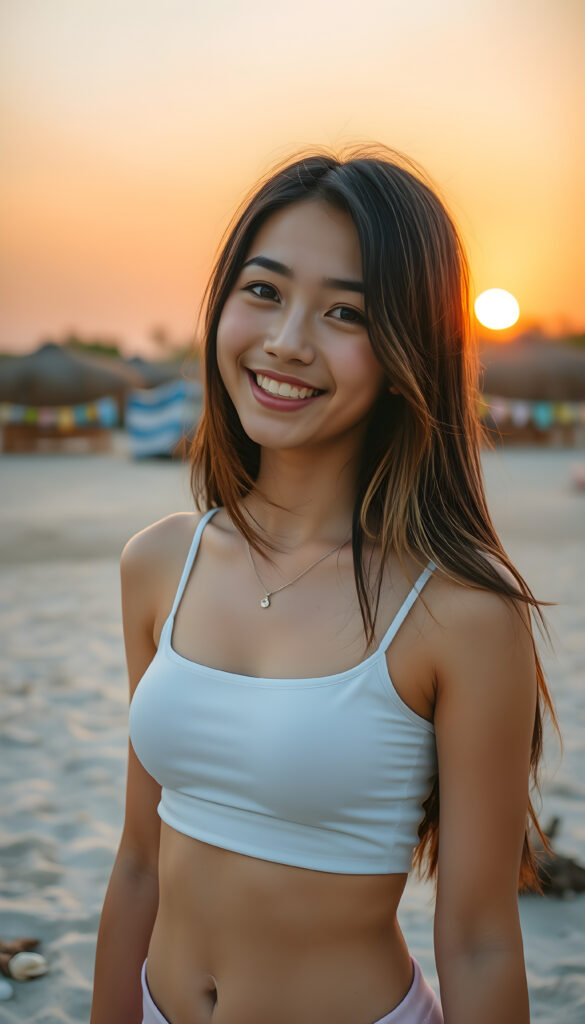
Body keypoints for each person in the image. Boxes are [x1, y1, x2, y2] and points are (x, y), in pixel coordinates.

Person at [91, 146, 556, 1024]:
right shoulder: (158, 563)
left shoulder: (459, 615)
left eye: (345, 312)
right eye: (263, 290)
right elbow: (139, 862)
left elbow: (481, 937)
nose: (286, 341)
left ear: (406, 350)